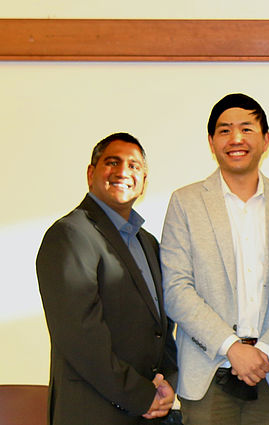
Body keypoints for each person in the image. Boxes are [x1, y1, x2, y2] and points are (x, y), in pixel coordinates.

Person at [161, 93, 269, 424]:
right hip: (207, 375)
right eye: (224, 130)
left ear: (265, 140)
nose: (236, 139)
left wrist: (264, 351)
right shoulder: (185, 202)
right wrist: (233, 348)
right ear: (211, 142)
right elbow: (176, 290)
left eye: (247, 129)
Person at [36, 132, 177, 424]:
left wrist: (168, 383)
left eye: (134, 166)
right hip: (93, 411)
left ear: (144, 179)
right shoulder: (70, 235)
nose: (123, 171)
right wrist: (140, 395)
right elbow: (81, 335)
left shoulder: (147, 242)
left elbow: (162, 325)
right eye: (112, 162)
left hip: (149, 410)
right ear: (91, 173)